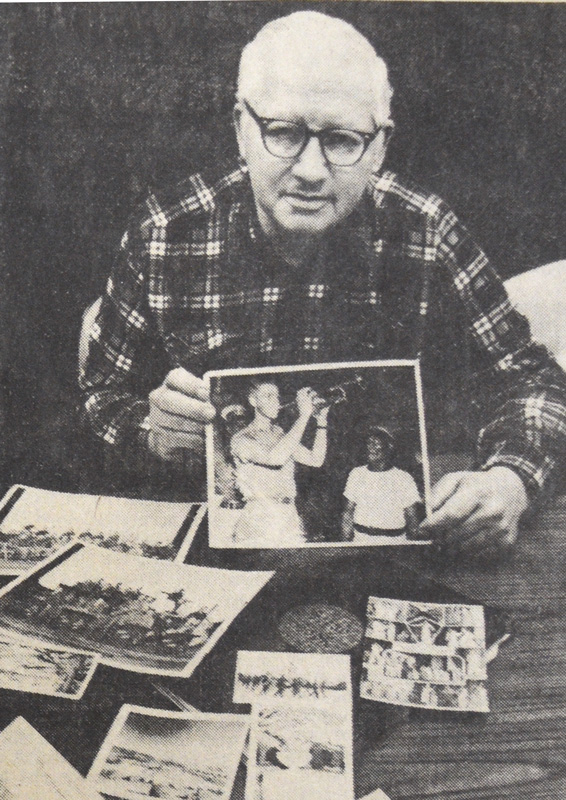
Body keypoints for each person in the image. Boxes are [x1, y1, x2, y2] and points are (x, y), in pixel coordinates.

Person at [80, 10, 566, 552]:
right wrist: (149, 432)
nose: (311, 171)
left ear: (379, 146)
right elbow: (101, 395)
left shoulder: (427, 230)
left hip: (393, 541)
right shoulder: (164, 233)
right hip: (219, 539)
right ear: (241, 128)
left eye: (341, 140)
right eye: (283, 132)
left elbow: (531, 380)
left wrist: (510, 480)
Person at [229, 381, 328, 544]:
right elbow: (275, 459)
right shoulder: (242, 439)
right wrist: (304, 416)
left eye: (277, 396)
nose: (276, 401)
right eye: (268, 396)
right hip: (260, 516)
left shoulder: (280, 434)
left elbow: (315, 460)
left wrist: (321, 422)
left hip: (289, 514)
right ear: (253, 401)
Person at [341, 428, 421, 542]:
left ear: (389, 446)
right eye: (369, 443)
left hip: (395, 542)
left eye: (376, 443)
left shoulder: (404, 478)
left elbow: (412, 518)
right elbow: (348, 512)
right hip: (362, 539)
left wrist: (410, 548)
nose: (370, 447)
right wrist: (346, 544)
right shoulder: (356, 474)